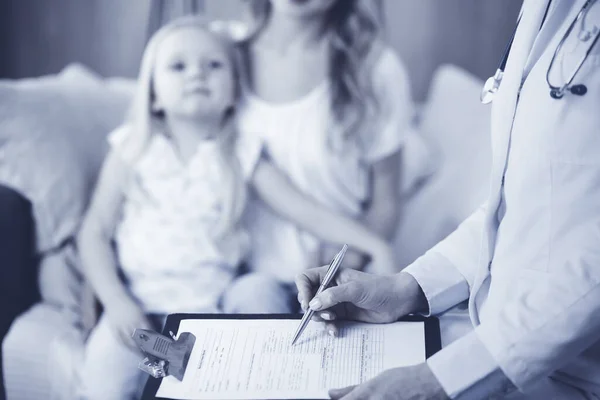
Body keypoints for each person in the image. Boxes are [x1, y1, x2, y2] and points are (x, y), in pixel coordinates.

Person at [76, 16, 395, 400]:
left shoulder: (241, 151)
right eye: (178, 66)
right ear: (154, 94)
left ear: (234, 93)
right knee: (103, 383)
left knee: (257, 292)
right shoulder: (131, 148)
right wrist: (115, 300)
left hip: (213, 307)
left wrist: (373, 244)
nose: (197, 74)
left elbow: (305, 210)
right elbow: (94, 232)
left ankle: (278, 377)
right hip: (136, 306)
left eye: (213, 65)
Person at [296, 0, 600, 398]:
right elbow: (514, 202)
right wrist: (407, 287)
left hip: (569, 372)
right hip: (498, 346)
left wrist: (442, 380)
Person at [235, 0, 413, 292]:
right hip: (241, 281)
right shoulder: (217, 56)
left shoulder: (375, 68)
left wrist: (347, 259)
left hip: (335, 280)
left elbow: (387, 201)